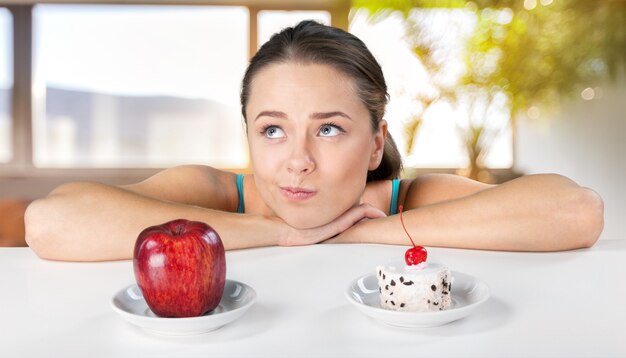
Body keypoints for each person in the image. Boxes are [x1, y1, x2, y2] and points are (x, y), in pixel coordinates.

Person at [25, 21, 604, 261]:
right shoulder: (216, 192)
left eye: (329, 129)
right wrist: (278, 232)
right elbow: (51, 222)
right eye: (272, 129)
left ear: (376, 144)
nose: (296, 161)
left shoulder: (406, 197)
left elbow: (575, 210)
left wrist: (377, 229)